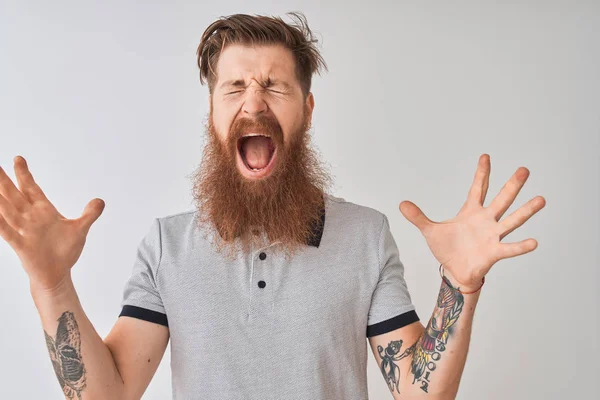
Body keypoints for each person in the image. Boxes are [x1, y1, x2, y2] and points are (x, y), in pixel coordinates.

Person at [0, 12, 546, 400]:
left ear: (306, 110)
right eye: (233, 87)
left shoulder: (366, 236)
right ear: (212, 112)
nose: (253, 102)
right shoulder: (167, 246)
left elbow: (419, 391)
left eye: (274, 87)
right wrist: (51, 284)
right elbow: (107, 394)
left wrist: (459, 286)